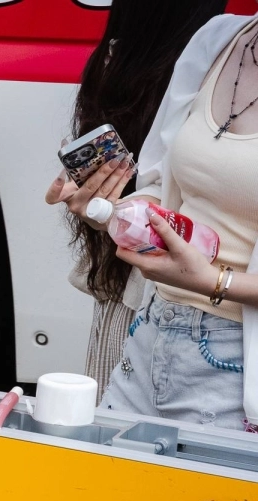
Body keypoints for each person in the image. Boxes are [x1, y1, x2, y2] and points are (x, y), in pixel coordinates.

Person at [47, 0, 228, 400]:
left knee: (114, 438)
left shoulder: (133, 57)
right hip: (171, 296)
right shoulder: (218, 47)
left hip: (145, 288)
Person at [93, 10, 258, 432]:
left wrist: (211, 281)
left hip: (237, 364)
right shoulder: (218, 38)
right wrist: (110, 210)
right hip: (152, 331)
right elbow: (162, 188)